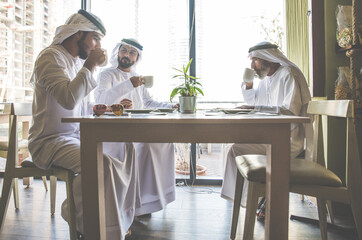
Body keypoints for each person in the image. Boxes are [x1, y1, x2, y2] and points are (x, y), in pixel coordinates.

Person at [28, 10, 139, 239]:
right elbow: (67, 98)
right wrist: (90, 65)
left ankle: (109, 218)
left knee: (125, 148)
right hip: (49, 141)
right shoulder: (50, 57)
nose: (98, 46)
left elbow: (79, 107)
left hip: (75, 136)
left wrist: (104, 109)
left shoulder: (73, 62)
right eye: (96, 38)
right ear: (78, 34)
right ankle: (79, 215)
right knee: (101, 163)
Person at [221, 41, 312, 219]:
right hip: (271, 137)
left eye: (254, 60)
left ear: (267, 59)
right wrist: (248, 86)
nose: (251, 66)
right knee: (233, 146)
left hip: (288, 140)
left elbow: (290, 111)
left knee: (236, 149)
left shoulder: (289, 74)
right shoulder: (267, 79)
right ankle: (256, 198)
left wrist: (254, 109)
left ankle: (253, 200)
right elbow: (255, 103)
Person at [95, 38, 177, 217]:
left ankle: (150, 200)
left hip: (138, 128)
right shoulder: (107, 74)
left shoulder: (138, 78)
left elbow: (148, 102)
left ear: (137, 57)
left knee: (165, 143)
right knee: (146, 146)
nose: (127, 55)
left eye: (132, 53)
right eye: (124, 50)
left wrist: (171, 106)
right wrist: (129, 84)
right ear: (118, 52)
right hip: (114, 131)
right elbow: (101, 101)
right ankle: (134, 203)